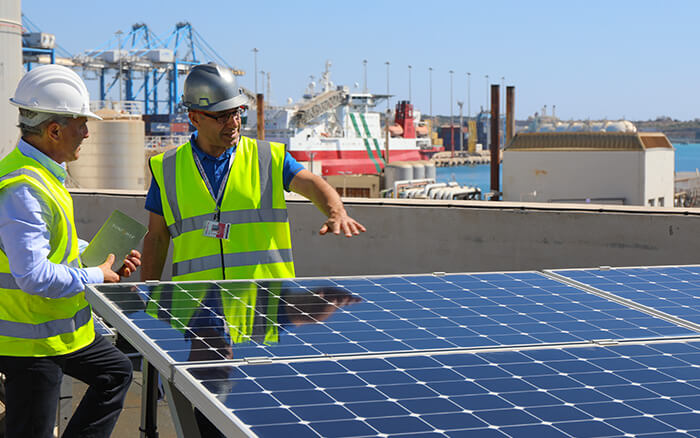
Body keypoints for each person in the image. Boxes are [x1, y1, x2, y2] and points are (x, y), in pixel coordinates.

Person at [0, 64, 142, 438]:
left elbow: (51, 246)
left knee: (115, 371)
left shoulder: (42, 174)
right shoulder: (24, 189)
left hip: (58, 332)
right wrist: (97, 276)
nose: (88, 132)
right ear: (54, 130)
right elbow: (32, 276)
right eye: (81, 124)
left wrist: (101, 257)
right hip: (29, 344)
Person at [141, 62, 365, 283]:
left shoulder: (268, 158)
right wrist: (147, 297)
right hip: (197, 310)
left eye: (237, 113)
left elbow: (312, 184)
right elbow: (157, 238)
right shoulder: (167, 167)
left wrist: (337, 212)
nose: (233, 123)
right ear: (194, 117)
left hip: (264, 308)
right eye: (222, 116)